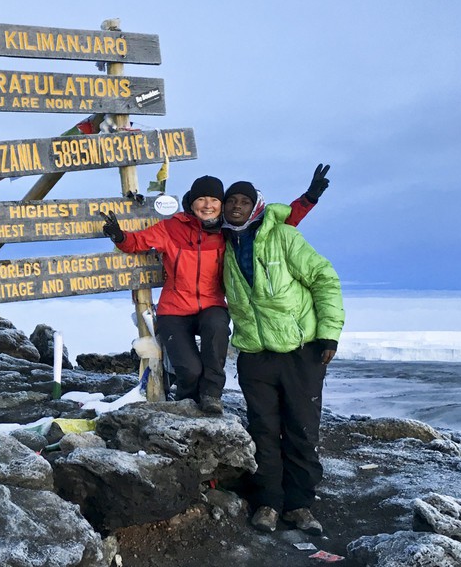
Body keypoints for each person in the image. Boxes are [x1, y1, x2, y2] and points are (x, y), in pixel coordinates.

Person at [99, 166, 330, 414]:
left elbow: (280, 223)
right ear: (192, 201)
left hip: (211, 305)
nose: (207, 205)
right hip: (174, 309)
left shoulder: (228, 231)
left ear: (221, 205)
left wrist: (309, 198)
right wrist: (119, 236)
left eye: (213, 200)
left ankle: (211, 395)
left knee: (218, 326)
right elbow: (138, 242)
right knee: (189, 369)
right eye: (201, 199)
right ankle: (186, 403)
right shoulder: (172, 228)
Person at [221, 179, 344, 536]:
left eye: (244, 201)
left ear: (256, 205)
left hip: (300, 353)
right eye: (232, 201)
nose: (237, 207)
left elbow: (324, 279)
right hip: (255, 355)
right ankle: (269, 503)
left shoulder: (284, 238)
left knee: (302, 429)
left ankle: (300, 504)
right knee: (263, 429)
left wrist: (329, 333)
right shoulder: (223, 245)